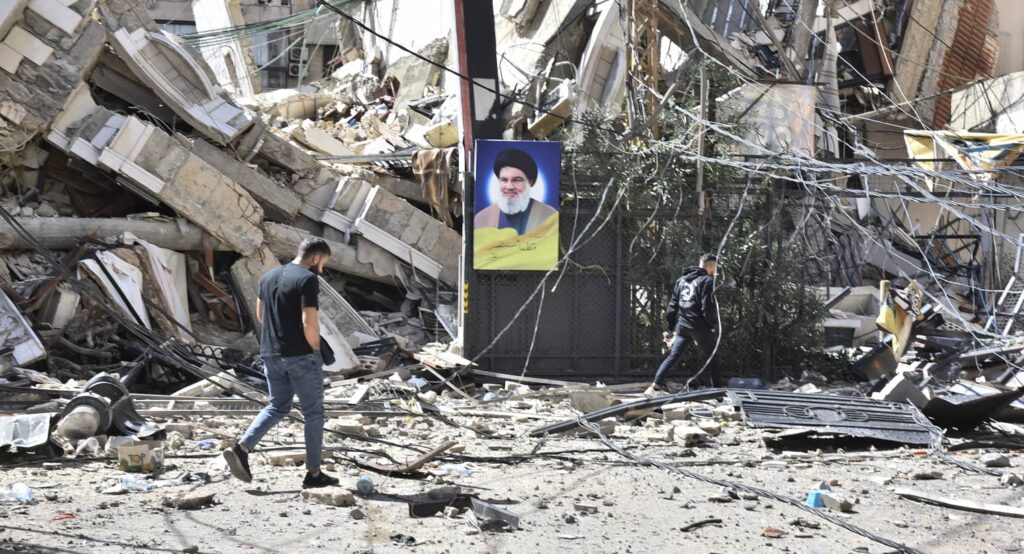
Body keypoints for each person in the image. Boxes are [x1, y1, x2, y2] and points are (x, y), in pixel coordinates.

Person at [222, 237, 339, 489]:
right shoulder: (308, 279)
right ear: (316, 258)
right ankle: (314, 474)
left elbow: (261, 316)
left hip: (270, 355)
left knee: (277, 406)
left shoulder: (267, 277)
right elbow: (310, 321)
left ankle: (242, 448)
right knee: (314, 413)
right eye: (323, 262)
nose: (322, 268)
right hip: (300, 356)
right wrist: (316, 350)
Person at [646, 253, 723, 396]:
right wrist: (711, 324)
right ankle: (718, 392)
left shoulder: (681, 280)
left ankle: (655, 385)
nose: (716, 270)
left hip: (683, 326)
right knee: (712, 357)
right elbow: (707, 307)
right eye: (716, 266)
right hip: (699, 326)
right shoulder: (706, 281)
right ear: (711, 266)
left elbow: (673, 305)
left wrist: (670, 328)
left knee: (673, 356)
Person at [474, 148, 557, 235]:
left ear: (530, 182)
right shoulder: (482, 219)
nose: (509, 187)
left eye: (517, 180)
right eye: (504, 180)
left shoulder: (549, 216)